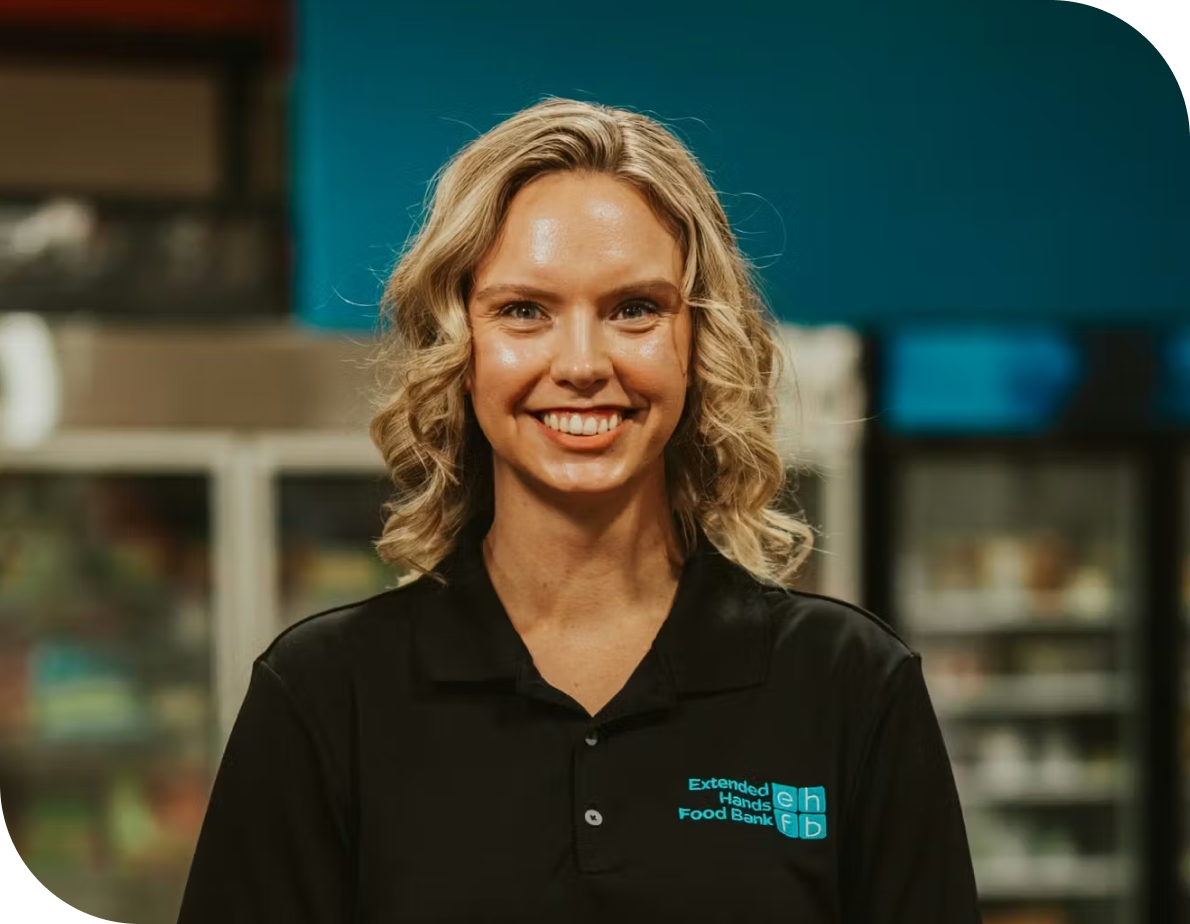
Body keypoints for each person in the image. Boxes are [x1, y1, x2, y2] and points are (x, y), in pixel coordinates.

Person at [177, 96, 981, 923]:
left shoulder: (849, 684)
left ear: (700, 343)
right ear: (459, 348)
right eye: (524, 311)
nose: (584, 363)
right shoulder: (325, 694)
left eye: (635, 309)